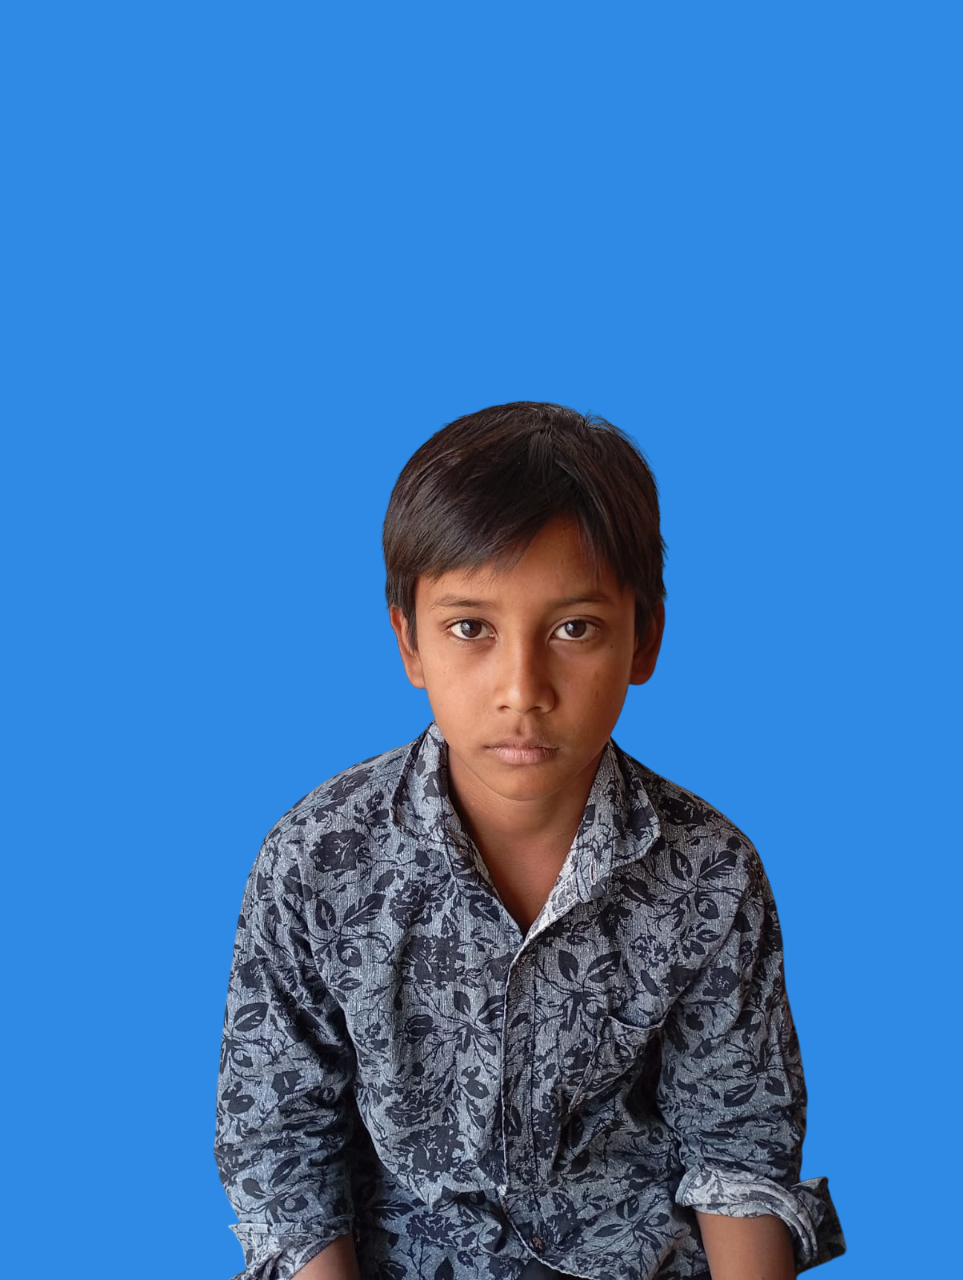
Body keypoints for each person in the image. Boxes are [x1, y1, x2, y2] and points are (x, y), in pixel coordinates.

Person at [214, 402, 845, 1280]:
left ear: (644, 638)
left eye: (573, 629)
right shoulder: (315, 859)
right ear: (409, 642)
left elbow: (736, 1148)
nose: (522, 688)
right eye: (470, 628)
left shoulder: (708, 870)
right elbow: (281, 1148)